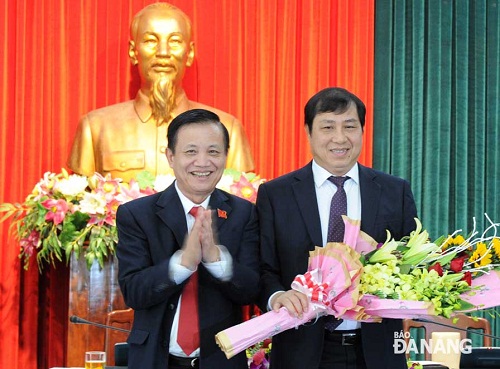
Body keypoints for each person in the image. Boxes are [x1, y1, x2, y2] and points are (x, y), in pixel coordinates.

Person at [256, 87, 418, 369]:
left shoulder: (395, 191)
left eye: (350, 127)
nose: (340, 138)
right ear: (308, 132)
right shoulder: (276, 194)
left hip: (377, 352)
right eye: (327, 127)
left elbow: (411, 267)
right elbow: (263, 268)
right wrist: (276, 296)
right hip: (300, 351)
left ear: (363, 131)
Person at [116, 109, 259, 369]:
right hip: (155, 361)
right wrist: (182, 263)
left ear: (226, 156)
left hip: (220, 361)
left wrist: (217, 260)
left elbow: (250, 289)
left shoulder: (244, 213)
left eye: (213, 152)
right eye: (191, 151)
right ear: (170, 156)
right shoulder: (136, 215)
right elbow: (134, 292)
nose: (203, 162)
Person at [67, 2, 254, 182]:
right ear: (133, 52)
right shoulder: (96, 128)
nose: (163, 52)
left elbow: (240, 205)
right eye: (150, 41)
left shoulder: (227, 129)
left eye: (174, 41)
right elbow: (78, 207)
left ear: (189, 53)